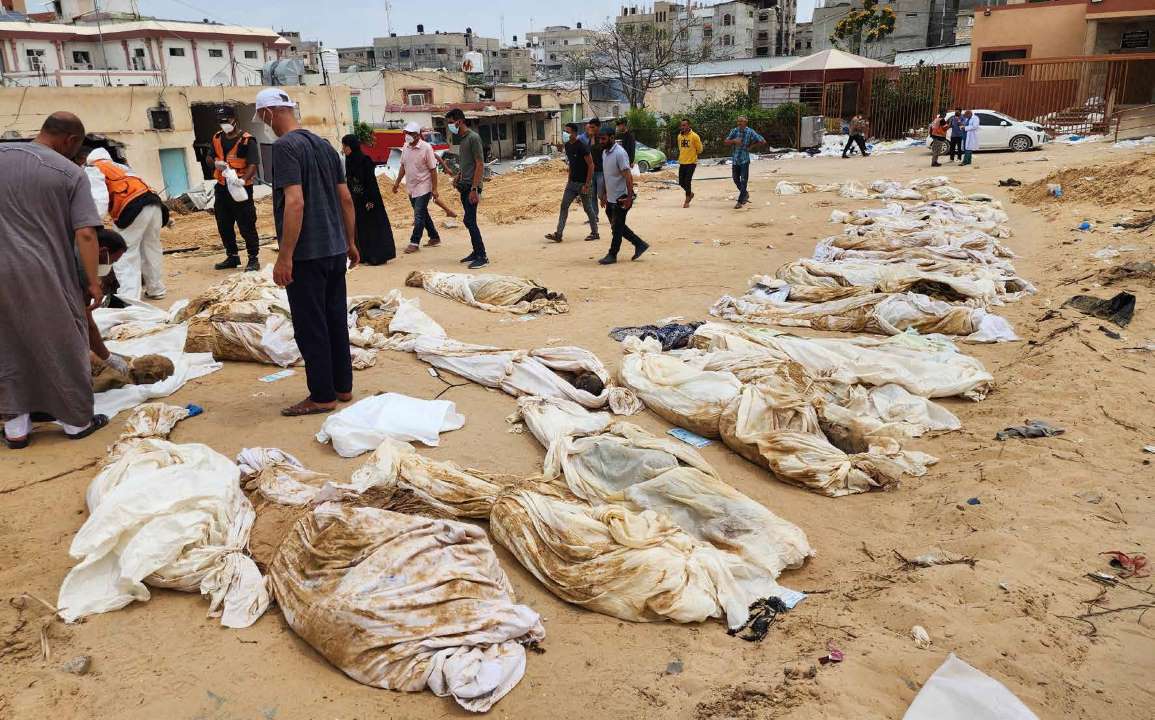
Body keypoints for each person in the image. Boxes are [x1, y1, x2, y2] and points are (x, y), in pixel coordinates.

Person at [0, 112, 109, 448]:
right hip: (43, 272)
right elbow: (87, 234)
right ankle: (76, 421)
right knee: (62, 340)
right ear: (71, 140)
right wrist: (93, 282)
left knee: (6, 344)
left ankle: (16, 428)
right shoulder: (68, 173)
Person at [255, 88, 359, 417]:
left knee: (311, 326)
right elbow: (345, 199)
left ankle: (322, 395)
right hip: (333, 251)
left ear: (269, 113)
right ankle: (342, 387)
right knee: (334, 321)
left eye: (261, 116)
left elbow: (295, 202)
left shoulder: (285, 148)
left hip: (307, 255)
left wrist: (285, 257)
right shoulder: (326, 146)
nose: (262, 123)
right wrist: (351, 242)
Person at [85, 147, 167, 300]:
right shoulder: (123, 168)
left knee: (125, 253)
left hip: (131, 207)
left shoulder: (94, 169)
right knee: (151, 248)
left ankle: (129, 298)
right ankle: (156, 289)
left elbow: (100, 198)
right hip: (155, 204)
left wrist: (95, 222)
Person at [206, 106, 262, 272]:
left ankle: (253, 258)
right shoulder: (217, 138)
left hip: (240, 190)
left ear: (234, 119)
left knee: (246, 223)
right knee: (224, 223)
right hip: (222, 188)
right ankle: (232, 256)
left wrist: (242, 180)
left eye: (226, 120)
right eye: (220, 121)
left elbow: (253, 165)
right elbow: (209, 157)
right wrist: (215, 163)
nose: (224, 124)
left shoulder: (247, 140)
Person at [597, 126, 648, 265]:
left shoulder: (620, 153)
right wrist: (605, 195)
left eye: (603, 139)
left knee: (617, 228)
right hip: (611, 197)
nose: (601, 141)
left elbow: (628, 176)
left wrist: (630, 197)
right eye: (599, 139)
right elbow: (609, 176)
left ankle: (612, 254)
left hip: (622, 197)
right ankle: (640, 244)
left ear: (612, 138)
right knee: (617, 226)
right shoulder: (605, 153)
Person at [340, 134, 395, 266]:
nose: (344, 149)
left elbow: (371, 182)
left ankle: (377, 256)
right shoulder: (349, 160)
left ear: (351, 146)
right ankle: (363, 255)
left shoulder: (365, 160)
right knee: (360, 227)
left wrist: (370, 200)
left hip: (369, 199)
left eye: (345, 146)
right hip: (356, 200)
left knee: (372, 227)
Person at [445, 107, 489, 269]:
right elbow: (467, 164)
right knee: (469, 220)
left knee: (469, 220)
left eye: (451, 123)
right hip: (464, 185)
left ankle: (482, 256)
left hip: (472, 187)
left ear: (460, 121)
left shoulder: (473, 138)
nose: (450, 126)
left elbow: (479, 164)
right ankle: (476, 252)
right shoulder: (462, 140)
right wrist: (458, 176)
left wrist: (475, 188)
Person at [393, 121, 444, 254]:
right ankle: (434, 237)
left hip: (424, 186)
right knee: (423, 213)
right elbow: (403, 166)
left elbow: (433, 170)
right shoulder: (405, 147)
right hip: (411, 186)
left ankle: (414, 242)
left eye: (410, 133)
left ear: (417, 135)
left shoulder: (426, 148)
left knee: (418, 215)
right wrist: (397, 182)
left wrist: (435, 189)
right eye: (406, 133)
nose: (407, 135)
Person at [545, 122, 597, 243]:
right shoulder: (568, 146)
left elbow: (591, 165)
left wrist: (587, 184)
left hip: (583, 183)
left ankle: (595, 232)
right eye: (565, 131)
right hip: (572, 183)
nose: (565, 134)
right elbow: (572, 164)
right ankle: (558, 234)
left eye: (567, 132)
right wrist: (569, 179)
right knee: (564, 206)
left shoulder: (582, 146)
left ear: (574, 132)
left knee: (588, 208)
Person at [725, 116, 765, 209]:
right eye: (738, 121)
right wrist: (734, 141)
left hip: (744, 160)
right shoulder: (734, 131)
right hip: (735, 159)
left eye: (741, 121)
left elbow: (762, 141)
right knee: (735, 179)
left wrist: (751, 146)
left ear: (746, 122)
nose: (739, 123)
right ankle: (745, 194)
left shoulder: (750, 131)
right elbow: (726, 141)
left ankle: (740, 201)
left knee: (743, 180)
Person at [579, 118, 604, 228]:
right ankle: (594, 217)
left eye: (593, 127)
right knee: (592, 195)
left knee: (601, 194)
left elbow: (598, 149)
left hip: (602, 170)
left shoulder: (603, 138)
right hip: (593, 171)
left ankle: (613, 215)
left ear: (598, 127)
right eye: (590, 127)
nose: (591, 129)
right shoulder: (589, 138)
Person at [677, 118, 702, 208]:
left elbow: (700, 149)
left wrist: (693, 154)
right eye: (681, 125)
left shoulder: (694, 136)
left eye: (684, 125)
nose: (682, 127)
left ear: (689, 126)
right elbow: (680, 148)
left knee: (687, 181)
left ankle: (687, 199)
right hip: (682, 162)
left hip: (691, 162)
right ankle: (690, 193)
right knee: (681, 182)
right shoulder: (679, 136)